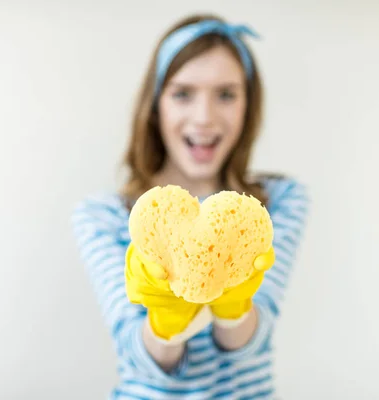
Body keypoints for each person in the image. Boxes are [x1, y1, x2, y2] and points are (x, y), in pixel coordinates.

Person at [71, 13, 310, 400]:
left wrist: (234, 302)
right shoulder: (104, 216)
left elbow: (249, 347)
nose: (204, 117)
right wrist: (166, 315)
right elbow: (139, 357)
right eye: (183, 93)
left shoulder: (278, 202)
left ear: (248, 107)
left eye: (226, 94)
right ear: (156, 106)